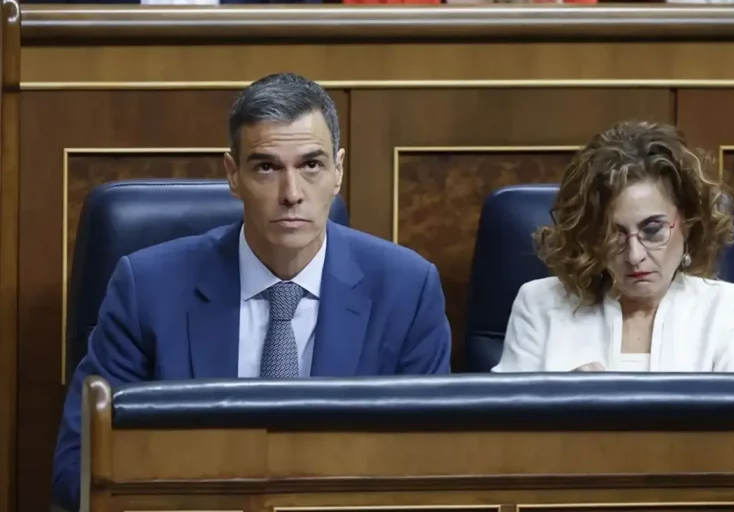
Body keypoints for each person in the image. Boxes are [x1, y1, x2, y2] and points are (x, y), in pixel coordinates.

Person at [52, 72, 452, 512]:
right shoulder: (147, 286)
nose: (291, 194)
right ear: (232, 174)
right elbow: (81, 466)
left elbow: (427, 472)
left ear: (339, 171)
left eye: (311, 165)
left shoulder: (407, 289)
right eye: (266, 167)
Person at [492, 120, 734, 374]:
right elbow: (500, 419)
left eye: (653, 230)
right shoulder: (539, 304)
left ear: (688, 223)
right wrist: (559, 401)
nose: (635, 256)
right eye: (614, 234)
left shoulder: (727, 308)